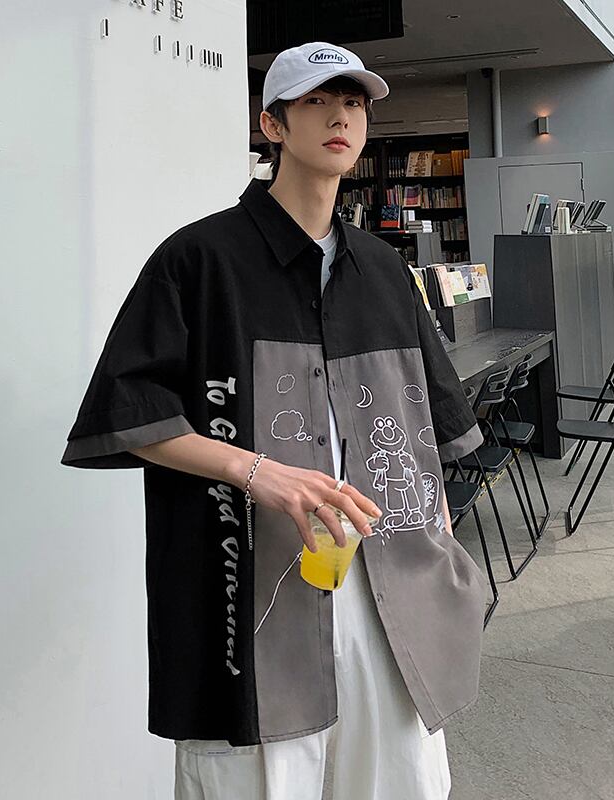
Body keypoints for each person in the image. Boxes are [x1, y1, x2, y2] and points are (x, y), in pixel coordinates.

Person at [61, 41, 488, 800]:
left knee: (398, 781)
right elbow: (129, 408)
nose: (341, 117)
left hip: (391, 594)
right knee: (260, 781)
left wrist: (441, 543)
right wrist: (256, 471)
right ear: (273, 125)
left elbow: (431, 421)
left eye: (354, 102)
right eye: (317, 101)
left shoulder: (384, 270)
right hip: (251, 601)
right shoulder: (198, 261)